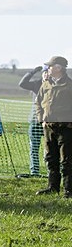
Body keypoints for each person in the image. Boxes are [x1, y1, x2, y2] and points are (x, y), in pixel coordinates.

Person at [35, 56, 72, 197]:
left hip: (66, 128)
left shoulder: (70, 85)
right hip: (49, 127)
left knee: (67, 160)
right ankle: (52, 187)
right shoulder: (45, 85)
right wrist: (41, 119)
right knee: (51, 158)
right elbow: (38, 103)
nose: (48, 68)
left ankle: (68, 190)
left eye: (50, 66)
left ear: (58, 68)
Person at [20, 64, 50, 176]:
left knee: (50, 148)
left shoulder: (54, 85)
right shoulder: (36, 84)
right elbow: (22, 83)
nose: (46, 75)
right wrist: (32, 72)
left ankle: (50, 171)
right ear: (42, 74)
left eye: (48, 72)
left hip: (49, 121)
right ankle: (34, 171)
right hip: (35, 120)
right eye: (44, 72)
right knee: (34, 147)